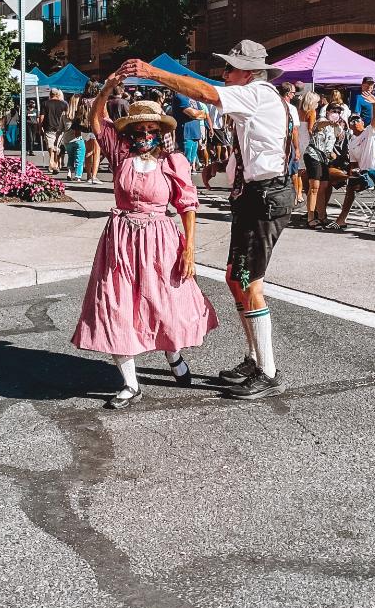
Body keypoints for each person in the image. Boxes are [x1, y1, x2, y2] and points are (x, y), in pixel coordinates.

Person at [120, 40, 294, 401]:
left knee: (249, 282)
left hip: (265, 198)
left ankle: (268, 371)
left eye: (230, 68)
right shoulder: (261, 98)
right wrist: (228, 165)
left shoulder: (258, 92)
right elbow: (270, 146)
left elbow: (206, 93)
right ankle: (254, 357)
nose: (224, 74)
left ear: (248, 71)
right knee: (236, 278)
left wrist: (153, 73)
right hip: (255, 195)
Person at [72, 77, 218, 410]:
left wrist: (190, 248)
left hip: (161, 241)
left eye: (150, 129)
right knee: (115, 305)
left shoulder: (172, 162)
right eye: (138, 130)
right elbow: (97, 120)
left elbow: (188, 205)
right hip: (120, 240)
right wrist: (107, 89)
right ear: (129, 131)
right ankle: (130, 384)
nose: (144, 135)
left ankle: (173, 354)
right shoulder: (119, 153)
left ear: (160, 131)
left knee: (163, 304)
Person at [329, 101, 375, 230]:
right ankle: (328, 215)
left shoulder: (370, 132)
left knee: (351, 186)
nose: (355, 122)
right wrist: (350, 173)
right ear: (350, 126)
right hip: (362, 173)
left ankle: (341, 218)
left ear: (363, 122)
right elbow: (353, 163)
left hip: (374, 173)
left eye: (357, 120)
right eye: (352, 121)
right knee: (330, 175)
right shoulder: (352, 141)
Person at [303, 115, 339, 229]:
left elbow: (329, 146)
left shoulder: (336, 128)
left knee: (324, 185)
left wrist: (331, 154)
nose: (336, 113)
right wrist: (329, 122)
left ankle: (322, 216)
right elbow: (318, 126)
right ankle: (310, 218)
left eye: (338, 111)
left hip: (324, 158)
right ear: (328, 112)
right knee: (314, 187)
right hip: (313, 155)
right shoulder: (322, 121)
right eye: (333, 110)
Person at [171, 91, 207, 170]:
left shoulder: (194, 99)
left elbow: (204, 115)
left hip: (195, 134)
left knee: (190, 162)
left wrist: (196, 114)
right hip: (185, 134)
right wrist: (196, 114)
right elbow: (193, 114)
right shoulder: (180, 97)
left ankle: (188, 180)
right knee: (184, 162)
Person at [40, 88, 68, 174]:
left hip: (48, 128)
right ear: (57, 94)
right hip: (60, 129)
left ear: (50, 94)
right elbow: (67, 116)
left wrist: (40, 128)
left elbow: (42, 117)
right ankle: (55, 163)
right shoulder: (64, 104)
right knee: (57, 146)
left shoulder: (45, 103)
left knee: (50, 146)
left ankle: (52, 162)